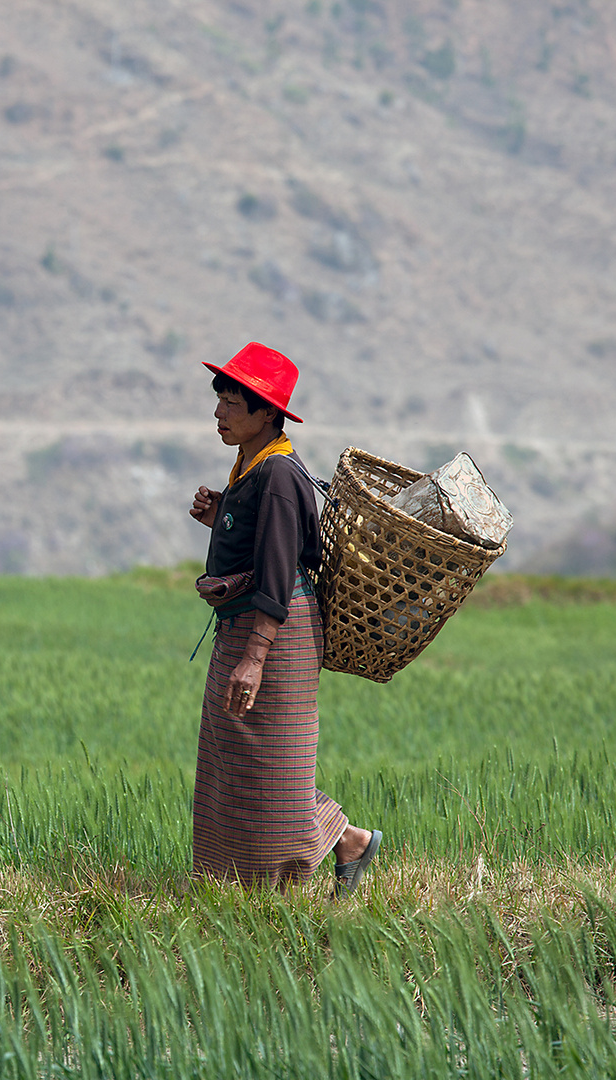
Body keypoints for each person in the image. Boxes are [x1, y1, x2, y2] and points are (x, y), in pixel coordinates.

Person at [187, 341, 381, 895]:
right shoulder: (253, 465)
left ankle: (290, 872)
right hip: (248, 626)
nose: (219, 413)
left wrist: (253, 657)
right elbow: (258, 540)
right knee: (238, 752)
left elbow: (277, 567)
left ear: (267, 413)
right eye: (220, 400)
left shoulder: (277, 475)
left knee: (273, 761)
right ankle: (328, 850)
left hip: (274, 631)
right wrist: (219, 516)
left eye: (231, 403)